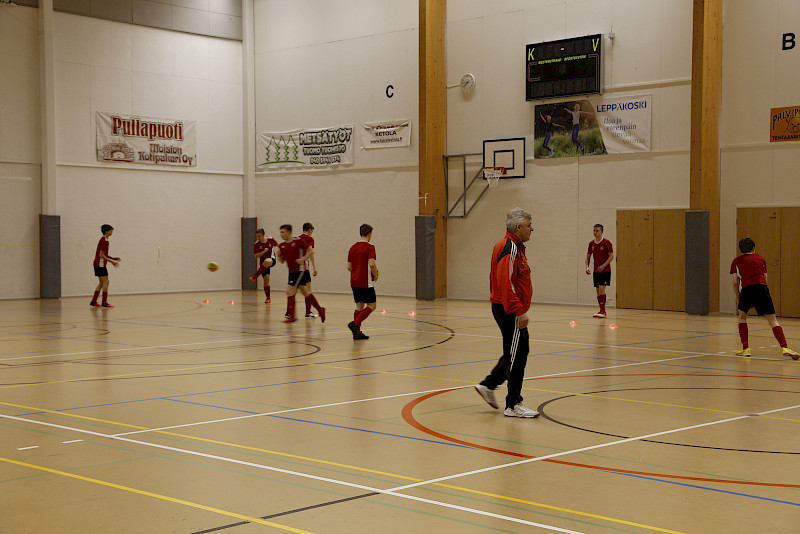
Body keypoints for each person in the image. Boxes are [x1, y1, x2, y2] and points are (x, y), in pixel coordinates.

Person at [474, 208, 539, 418]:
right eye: (529, 225)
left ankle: (489, 385)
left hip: (508, 308)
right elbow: (505, 283)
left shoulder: (514, 247)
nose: (532, 229)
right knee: (518, 354)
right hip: (509, 309)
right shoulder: (509, 247)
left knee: (517, 352)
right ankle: (513, 404)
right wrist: (519, 312)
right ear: (519, 227)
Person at [731, 237, 799, 359]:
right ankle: (785, 347)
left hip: (746, 290)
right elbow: (765, 278)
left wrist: (738, 297)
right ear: (753, 248)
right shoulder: (761, 259)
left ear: (741, 249)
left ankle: (745, 348)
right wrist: (761, 295)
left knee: (742, 317)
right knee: (773, 320)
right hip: (762, 289)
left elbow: (735, 282)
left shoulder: (736, 261)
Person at [275, 224, 325, 324]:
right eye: (280, 232)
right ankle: (320, 309)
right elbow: (282, 261)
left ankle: (293, 316)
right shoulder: (283, 246)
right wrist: (279, 256)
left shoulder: (298, 241)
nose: (281, 234)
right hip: (291, 271)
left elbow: (311, 252)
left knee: (289, 291)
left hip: (300, 270)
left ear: (289, 232)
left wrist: (302, 259)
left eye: (283, 232)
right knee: (306, 292)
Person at [346, 224, 378, 340]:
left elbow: (349, 267)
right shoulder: (370, 247)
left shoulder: (352, 247)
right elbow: (372, 264)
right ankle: (355, 324)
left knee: (359, 305)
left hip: (354, 281)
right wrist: (375, 274)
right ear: (369, 234)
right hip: (365, 282)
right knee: (372, 305)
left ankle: (357, 333)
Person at [585, 224, 614, 318]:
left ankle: (603, 311)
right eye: (594, 230)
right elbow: (588, 257)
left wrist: (603, 266)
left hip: (605, 270)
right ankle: (601, 310)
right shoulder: (591, 244)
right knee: (598, 291)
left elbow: (611, 256)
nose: (595, 232)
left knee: (602, 289)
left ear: (602, 232)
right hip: (596, 271)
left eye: (597, 230)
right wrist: (587, 267)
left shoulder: (607, 243)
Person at [90, 224, 120, 308]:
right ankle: (104, 302)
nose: (112, 232)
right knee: (106, 282)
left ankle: (94, 301)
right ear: (106, 231)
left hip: (98, 263)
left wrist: (113, 258)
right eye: (111, 230)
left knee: (101, 283)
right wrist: (112, 262)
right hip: (100, 264)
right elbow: (101, 255)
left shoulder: (104, 240)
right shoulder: (104, 241)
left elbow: (104, 254)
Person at [249, 229, 279, 303]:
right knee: (266, 281)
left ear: (263, 235)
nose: (258, 238)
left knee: (267, 261)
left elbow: (278, 245)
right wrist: (263, 252)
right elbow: (256, 256)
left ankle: (255, 276)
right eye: (256, 236)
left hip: (271, 259)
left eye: (259, 236)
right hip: (263, 264)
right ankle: (268, 298)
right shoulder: (256, 244)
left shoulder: (270, 240)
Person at [299, 222, 319, 318]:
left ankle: (288, 312)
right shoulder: (309, 239)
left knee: (292, 290)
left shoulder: (297, 238)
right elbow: (310, 253)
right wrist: (314, 267)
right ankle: (308, 312)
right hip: (304, 268)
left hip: (296, 268)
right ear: (310, 230)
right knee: (308, 291)